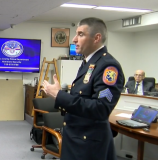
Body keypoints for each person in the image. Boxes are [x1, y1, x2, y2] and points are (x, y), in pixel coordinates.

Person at [42, 17, 125, 160]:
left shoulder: (108, 66)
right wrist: (59, 94)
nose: (74, 39)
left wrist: (59, 95)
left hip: (89, 144)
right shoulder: (89, 62)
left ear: (96, 38)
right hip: (76, 138)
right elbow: (82, 98)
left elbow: (100, 108)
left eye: (80, 34)